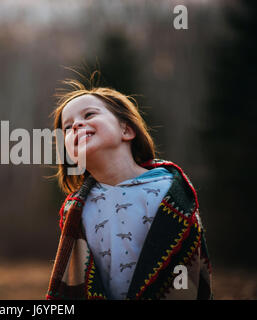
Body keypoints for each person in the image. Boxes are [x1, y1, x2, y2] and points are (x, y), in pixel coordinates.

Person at [46, 77, 213, 300]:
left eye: (89, 115)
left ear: (126, 130)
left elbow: (188, 270)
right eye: (67, 127)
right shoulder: (77, 210)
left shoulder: (170, 193)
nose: (76, 125)